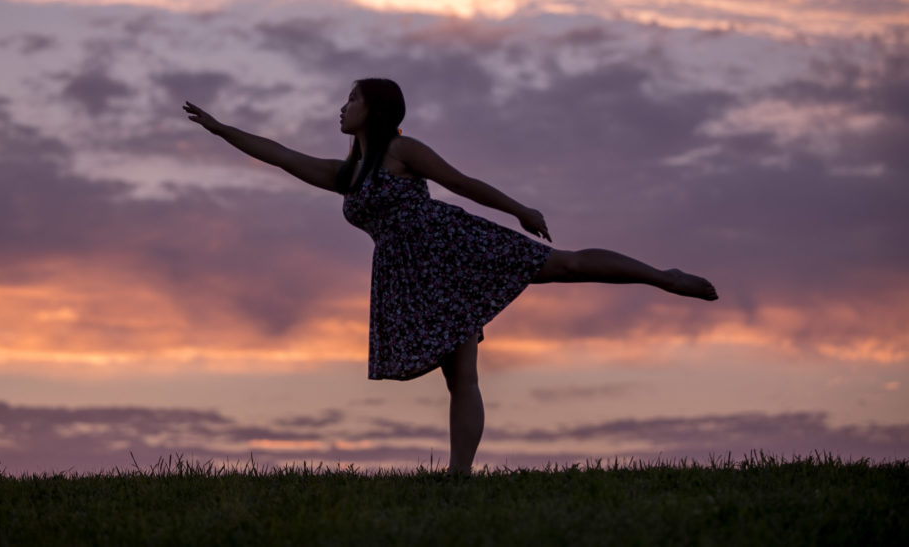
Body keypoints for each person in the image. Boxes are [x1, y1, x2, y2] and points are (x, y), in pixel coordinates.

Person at [183, 78, 717, 476]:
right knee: (461, 378)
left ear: (375, 108)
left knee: (567, 264)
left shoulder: (401, 149)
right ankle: (460, 477)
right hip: (412, 278)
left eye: (351, 99)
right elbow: (278, 156)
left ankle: (662, 277)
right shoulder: (347, 175)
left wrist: (519, 209)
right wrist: (219, 129)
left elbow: (460, 182)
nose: (341, 108)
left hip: (451, 246)